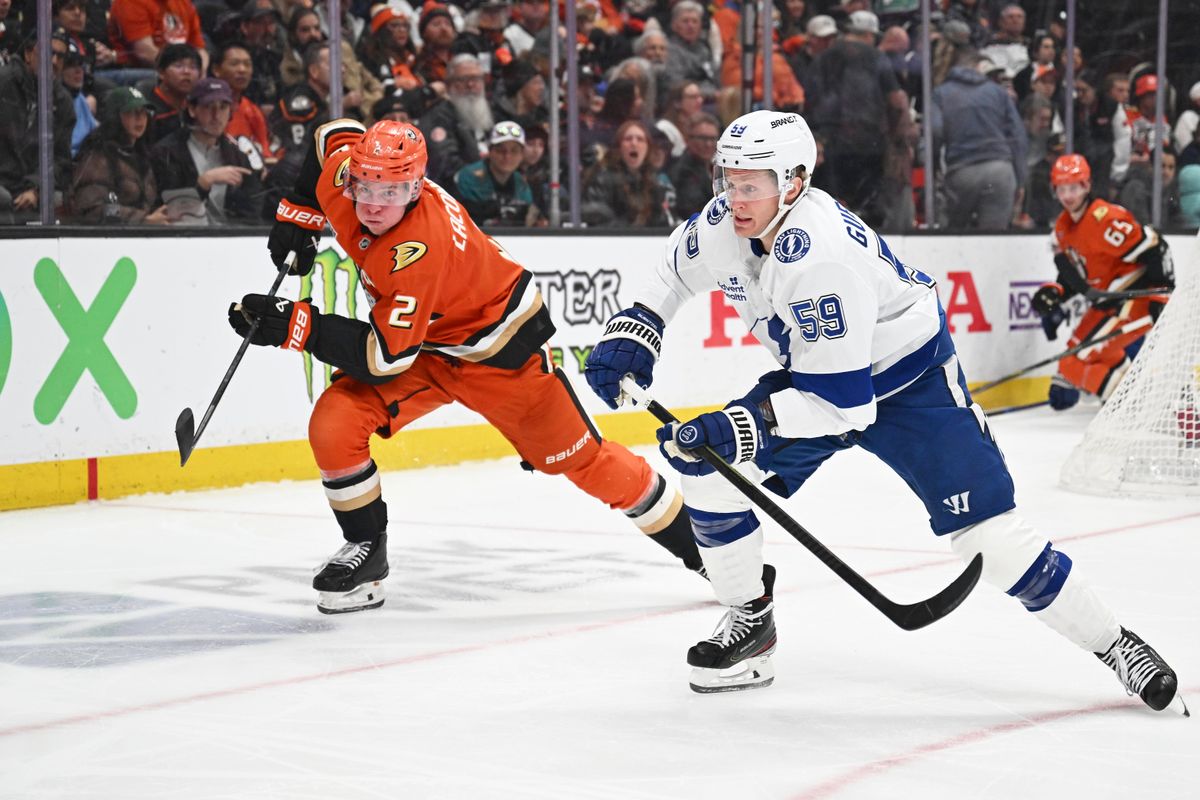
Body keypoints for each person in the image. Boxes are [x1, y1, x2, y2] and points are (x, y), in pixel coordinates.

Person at [582, 109, 1187, 714]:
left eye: (751, 184)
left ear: (793, 184)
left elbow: (842, 408)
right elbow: (674, 267)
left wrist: (740, 426)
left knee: (991, 539)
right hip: (819, 375)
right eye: (729, 180)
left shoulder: (818, 258)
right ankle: (750, 620)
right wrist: (641, 325)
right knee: (708, 472)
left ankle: (1116, 645)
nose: (733, 198)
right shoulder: (729, 220)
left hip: (909, 384)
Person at [226, 116, 703, 614]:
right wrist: (296, 216)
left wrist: (296, 325)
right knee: (334, 424)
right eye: (366, 185)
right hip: (424, 343)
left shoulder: (418, 250)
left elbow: (383, 358)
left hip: (497, 354)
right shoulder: (348, 177)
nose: (371, 204)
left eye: (390, 193)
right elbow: (331, 135)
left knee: (583, 462)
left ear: (415, 189)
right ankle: (367, 550)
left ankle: (705, 549)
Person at [1031, 154, 1174, 411]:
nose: (1068, 195)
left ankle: (1134, 406)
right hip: (1107, 303)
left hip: (1133, 299)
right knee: (1068, 369)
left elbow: (1157, 248)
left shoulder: (1105, 219)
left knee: (1074, 364)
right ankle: (1131, 394)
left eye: (1073, 187)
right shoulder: (1063, 226)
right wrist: (1057, 293)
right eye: (1062, 189)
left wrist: (1160, 297)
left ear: (1086, 186)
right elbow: (1077, 276)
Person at [149, 76, 267, 224]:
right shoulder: (166, 152)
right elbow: (172, 213)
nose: (216, 115)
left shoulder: (239, 154)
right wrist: (203, 183)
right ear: (192, 110)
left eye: (223, 107)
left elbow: (253, 212)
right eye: (208, 106)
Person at [68, 86, 169, 224]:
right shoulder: (98, 158)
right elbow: (92, 208)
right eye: (132, 112)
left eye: (143, 112)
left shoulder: (144, 155)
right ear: (115, 116)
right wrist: (141, 219)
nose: (140, 118)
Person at [453, 119, 538, 227]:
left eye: (514, 151)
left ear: (522, 155)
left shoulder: (521, 184)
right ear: (490, 151)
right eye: (501, 150)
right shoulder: (469, 176)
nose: (507, 156)